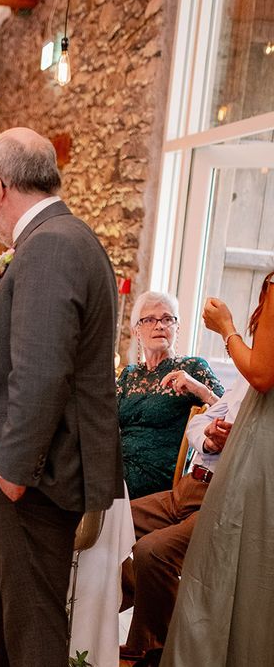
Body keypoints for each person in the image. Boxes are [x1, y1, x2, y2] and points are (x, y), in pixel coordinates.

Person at [0, 127, 123, 667]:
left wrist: (13, 474)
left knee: (34, 632)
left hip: (36, 478)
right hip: (37, 473)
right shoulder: (63, 238)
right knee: (5, 621)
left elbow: (42, 372)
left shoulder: (51, 246)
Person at [161, 271, 274, 666]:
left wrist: (226, 328)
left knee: (224, 556)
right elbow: (208, 416)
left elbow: (261, 374)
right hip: (197, 475)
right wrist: (209, 432)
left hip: (256, 453)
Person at [118, 378, 248, 661]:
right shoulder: (244, 381)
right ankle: (134, 607)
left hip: (220, 496)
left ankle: (157, 648)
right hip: (188, 486)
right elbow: (198, 423)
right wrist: (209, 438)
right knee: (109, 523)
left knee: (151, 551)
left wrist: (234, 440)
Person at [118, 291, 224, 499]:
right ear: (136, 331)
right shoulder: (129, 375)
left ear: (177, 327)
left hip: (156, 474)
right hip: (118, 465)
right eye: (149, 320)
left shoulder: (193, 367)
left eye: (167, 319)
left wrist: (200, 389)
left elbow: (229, 414)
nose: (159, 325)